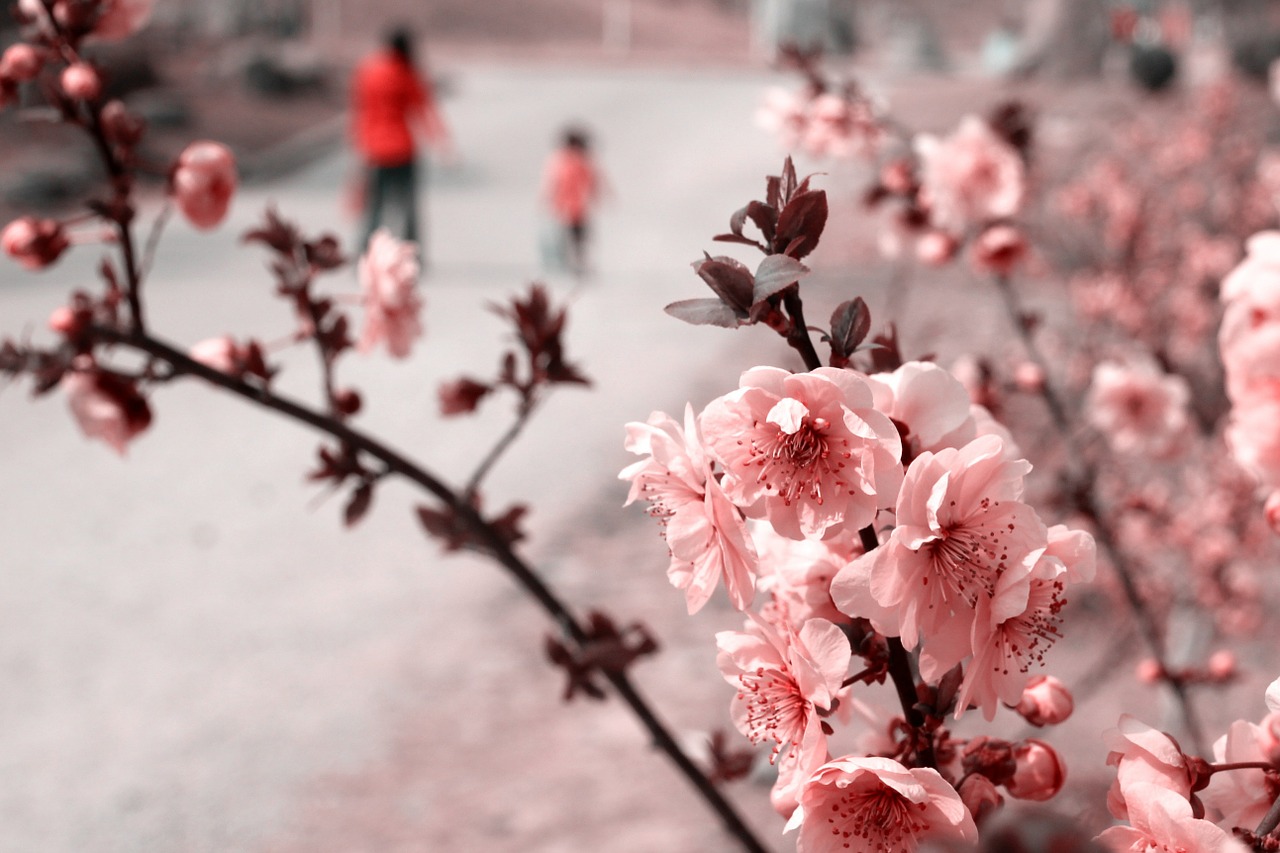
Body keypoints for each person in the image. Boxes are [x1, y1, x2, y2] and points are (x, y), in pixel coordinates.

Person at [351, 26, 451, 256]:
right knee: (407, 207)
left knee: (374, 207)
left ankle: (367, 253)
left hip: (374, 148)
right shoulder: (407, 72)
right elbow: (425, 110)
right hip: (403, 149)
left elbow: (359, 111)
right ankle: (410, 254)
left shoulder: (368, 71)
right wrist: (441, 143)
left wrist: (358, 146)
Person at [541, 126, 603, 277]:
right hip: (568, 206)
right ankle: (570, 262)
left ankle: (576, 262)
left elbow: (591, 180)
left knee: (576, 236)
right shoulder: (566, 160)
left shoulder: (574, 160)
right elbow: (554, 181)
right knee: (570, 236)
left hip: (576, 206)